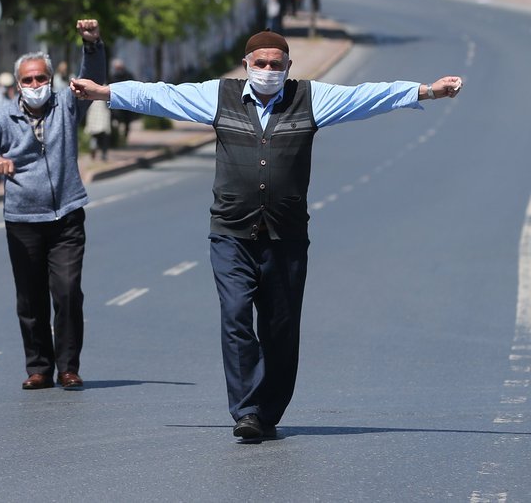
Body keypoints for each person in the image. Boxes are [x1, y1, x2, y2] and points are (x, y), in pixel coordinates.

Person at [70, 30, 464, 440]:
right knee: (236, 316)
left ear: (289, 67)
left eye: (277, 64)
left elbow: (367, 96)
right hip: (231, 234)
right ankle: (246, 410)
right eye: (261, 63)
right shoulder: (217, 97)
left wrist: (428, 91)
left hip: (286, 237)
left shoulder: (310, 98)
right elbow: (162, 95)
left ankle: (266, 411)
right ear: (246, 65)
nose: (269, 71)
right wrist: (104, 93)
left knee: (280, 328)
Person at [0, 20, 105, 392]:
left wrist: (91, 46)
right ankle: (39, 367)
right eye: (28, 80)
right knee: (30, 296)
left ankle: (68, 367)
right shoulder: (3, 117)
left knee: (68, 291)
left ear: (51, 80)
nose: (36, 86)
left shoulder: (67, 106)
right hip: (22, 219)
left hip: (66, 215)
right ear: (18, 84)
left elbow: (92, 81)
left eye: (42, 79)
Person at [108, 58, 136, 142]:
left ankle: (124, 136)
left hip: (127, 102)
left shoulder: (128, 75)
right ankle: (119, 138)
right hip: (117, 102)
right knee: (117, 120)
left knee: (126, 121)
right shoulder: (113, 76)